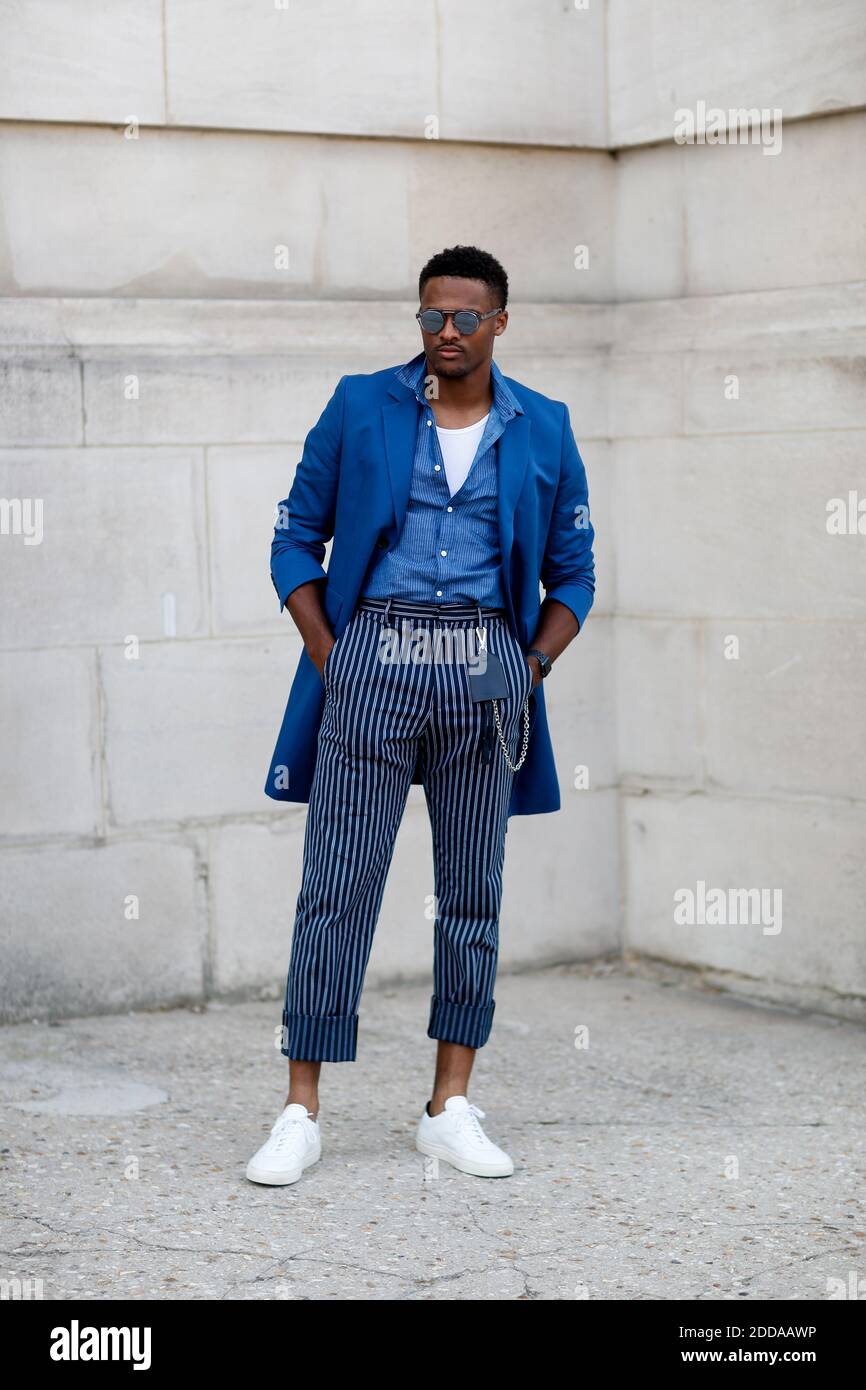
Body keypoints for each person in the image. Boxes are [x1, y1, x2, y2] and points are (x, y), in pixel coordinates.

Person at [246, 244, 595, 1185]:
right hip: (374, 658)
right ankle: (300, 1110)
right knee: (336, 887)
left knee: (471, 893)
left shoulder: (546, 428)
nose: (445, 333)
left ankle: (449, 1105)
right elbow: (292, 537)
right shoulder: (363, 404)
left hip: (484, 668)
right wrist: (334, 653)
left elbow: (576, 576)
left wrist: (527, 668)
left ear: (500, 322)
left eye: (465, 319)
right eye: (431, 317)